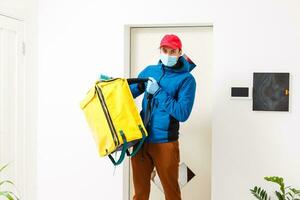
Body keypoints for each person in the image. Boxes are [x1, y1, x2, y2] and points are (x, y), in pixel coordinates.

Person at [129, 34, 197, 200]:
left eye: (172, 51)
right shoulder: (149, 71)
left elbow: (182, 113)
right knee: (140, 194)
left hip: (165, 143)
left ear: (180, 52)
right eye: (164, 50)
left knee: (172, 193)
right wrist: (114, 86)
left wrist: (158, 92)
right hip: (141, 141)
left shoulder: (187, 80)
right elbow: (129, 94)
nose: (167, 54)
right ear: (160, 50)